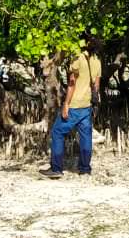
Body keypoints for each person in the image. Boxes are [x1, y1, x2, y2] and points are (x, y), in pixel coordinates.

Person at [41, 36, 103, 179]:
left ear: (85, 44)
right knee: (86, 136)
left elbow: (71, 84)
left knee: (57, 131)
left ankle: (56, 168)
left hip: (74, 104)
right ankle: (85, 169)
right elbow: (97, 85)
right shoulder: (97, 61)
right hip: (87, 105)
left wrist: (66, 104)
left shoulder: (77, 59)